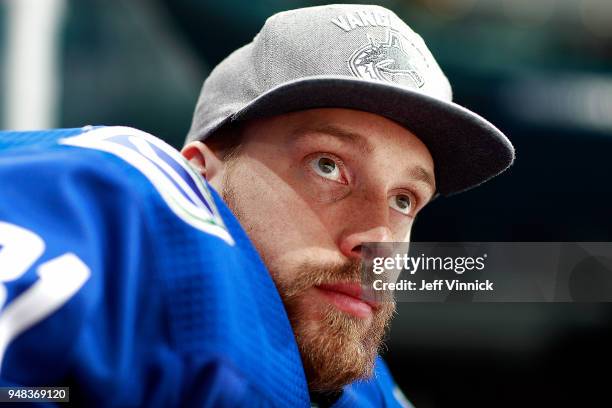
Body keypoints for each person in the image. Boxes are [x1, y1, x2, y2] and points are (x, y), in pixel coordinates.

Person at [0, 4, 513, 407]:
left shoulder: (367, 390)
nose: (376, 238)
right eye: (328, 165)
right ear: (200, 172)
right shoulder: (123, 206)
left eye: (404, 199)